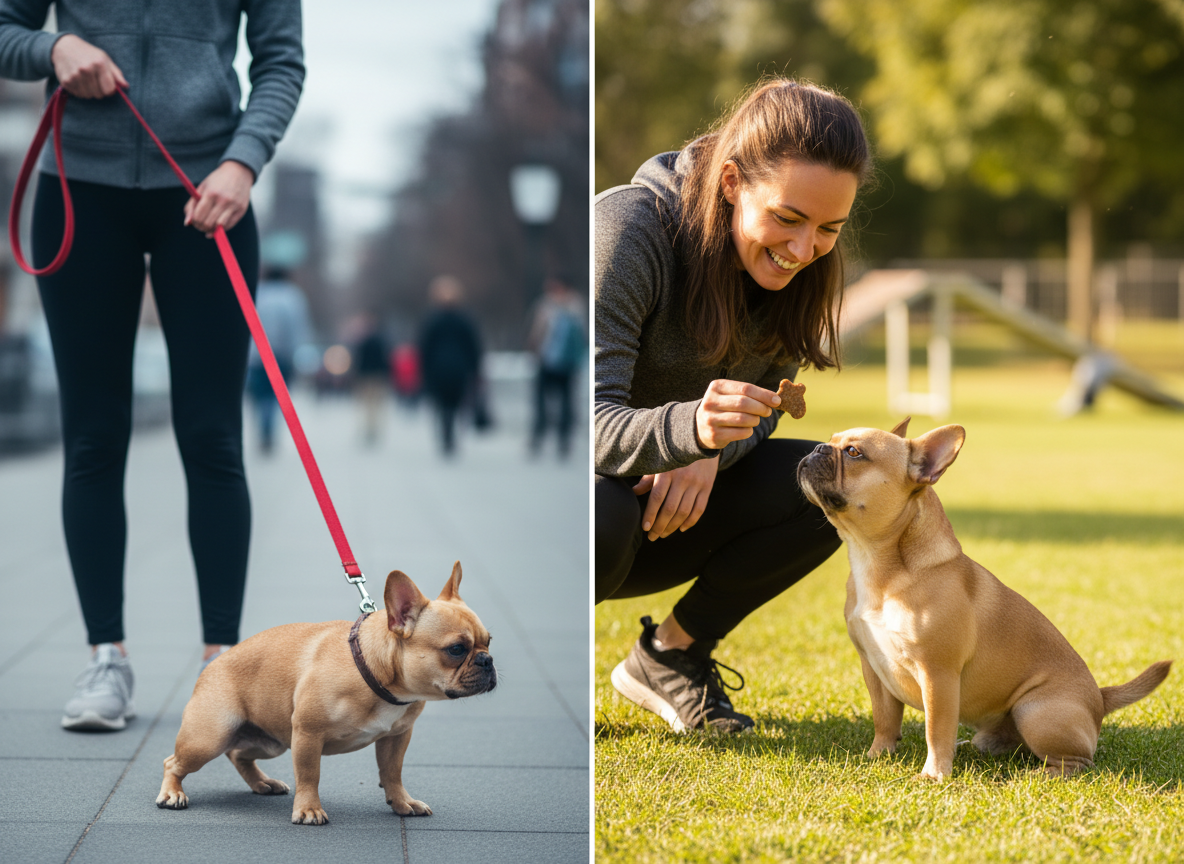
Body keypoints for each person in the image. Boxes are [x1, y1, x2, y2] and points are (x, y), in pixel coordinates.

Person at [0, 0, 303, 730]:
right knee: (94, 438)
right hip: (81, 186)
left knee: (212, 438)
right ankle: (108, 659)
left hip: (210, 191)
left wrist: (244, 160)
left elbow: (281, 62)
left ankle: (222, 670)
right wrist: (53, 48)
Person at [595, 79, 871, 733]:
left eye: (829, 228)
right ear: (730, 183)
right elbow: (589, 421)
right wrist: (687, 432)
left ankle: (670, 658)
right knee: (598, 511)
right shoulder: (626, 232)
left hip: (676, 513)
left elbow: (769, 405)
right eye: (788, 218)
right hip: (594, 514)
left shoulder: (802, 272)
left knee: (838, 481)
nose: (804, 250)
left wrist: (711, 454)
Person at [246, 265, 311, 453]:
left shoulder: (258, 293)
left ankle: (263, 431)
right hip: (280, 357)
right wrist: (296, 356)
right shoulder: (292, 296)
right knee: (276, 398)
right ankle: (269, 432)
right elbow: (298, 329)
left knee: (260, 398)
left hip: (256, 357)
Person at [417, 275, 483, 456]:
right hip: (459, 368)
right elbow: (474, 346)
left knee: (441, 404)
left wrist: (424, 371)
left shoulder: (432, 319)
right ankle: (451, 435)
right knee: (455, 404)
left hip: (438, 369)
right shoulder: (465, 319)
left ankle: (446, 435)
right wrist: (475, 369)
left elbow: (424, 347)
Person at [527, 275, 586, 458]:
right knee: (546, 402)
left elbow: (536, 332)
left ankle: (559, 439)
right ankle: (544, 437)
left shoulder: (567, 306)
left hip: (562, 363)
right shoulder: (572, 306)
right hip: (553, 362)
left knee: (562, 403)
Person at [352, 313, 390, 445]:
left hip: (366, 377)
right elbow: (385, 360)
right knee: (376, 406)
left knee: (367, 406)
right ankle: (374, 429)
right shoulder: (380, 341)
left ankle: (369, 429)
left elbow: (358, 362)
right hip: (378, 377)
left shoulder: (363, 342)